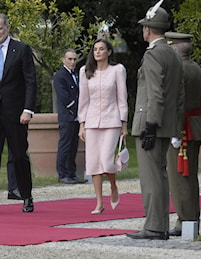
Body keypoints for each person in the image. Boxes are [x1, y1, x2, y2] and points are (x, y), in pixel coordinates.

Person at [126, 1, 184, 240]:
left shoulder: (153, 55)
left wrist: (150, 124)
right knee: (160, 176)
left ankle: (154, 226)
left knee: (151, 179)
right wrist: (174, 126)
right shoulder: (173, 53)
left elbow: (155, 93)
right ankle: (158, 225)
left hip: (151, 123)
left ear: (148, 29)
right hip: (166, 123)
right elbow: (179, 95)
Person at [0, 12, 37, 213]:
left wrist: (28, 109)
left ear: (7, 28)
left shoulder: (21, 50)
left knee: (19, 155)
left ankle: (26, 196)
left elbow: (30, 81)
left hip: (16, 113)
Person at [78, 38, 128, 214]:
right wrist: (82, 124)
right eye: (95, 49)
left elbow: (122, 97)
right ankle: (99, 202)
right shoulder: (85, 71)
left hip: (112, 120)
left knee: (106, 161)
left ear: (109, 52)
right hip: (92, 121)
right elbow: (83, 100)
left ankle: (113, 186)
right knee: (93, 163)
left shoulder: (117, 70)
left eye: (101, 49)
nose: (97, 52)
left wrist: (124, 123)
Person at [164, 32, 201, 236]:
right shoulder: (195, 67)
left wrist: (175, 130)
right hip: (194, 125)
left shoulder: (178, 69)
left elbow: (177, 103)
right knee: (188, 178)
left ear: (175, 48)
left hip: (182, 128)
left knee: (179, 178)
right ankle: (190, 218)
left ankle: (186, 220)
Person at [53, 49, 87, 184]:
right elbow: (64, 97)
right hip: (67, 116)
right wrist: (77, 110)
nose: (72, 62)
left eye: (74, 59)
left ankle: (72, 174)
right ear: (63, 60)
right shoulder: (60, 75)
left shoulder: (77, 74)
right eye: (69, 59)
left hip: (76, 117)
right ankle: (63, 174)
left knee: (73, 146)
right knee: (65, 145)